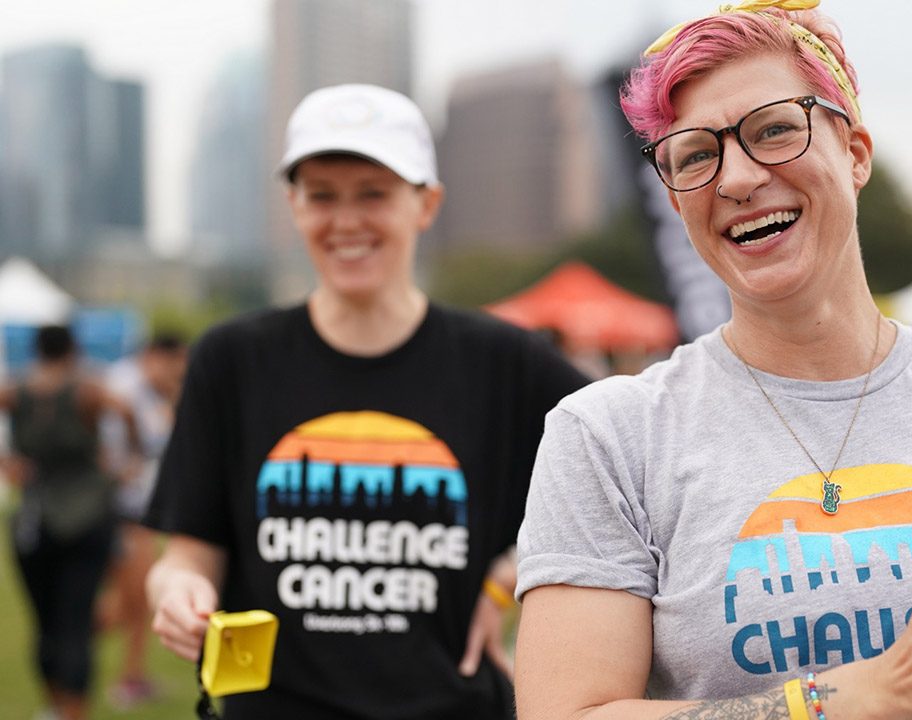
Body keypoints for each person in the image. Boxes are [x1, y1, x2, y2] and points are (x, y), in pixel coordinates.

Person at [514, 3, 912, 718]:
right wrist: (850, 700)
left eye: (773, 130)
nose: (735, 177)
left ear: (855, 152)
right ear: (674, 197)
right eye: (696, 155)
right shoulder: (611, 436)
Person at [143, 84, 589, 719]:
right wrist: (179, 592)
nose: (345, 221)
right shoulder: (231, 359)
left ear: (425, 204)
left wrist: (511, 573)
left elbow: (625, 485)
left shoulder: (506, 362)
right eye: (321, 195)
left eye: (373, 194)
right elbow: (188, 553)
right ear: (293, 206)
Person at [1, 325, 140, 720]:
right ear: (73, 349)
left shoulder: (16, 389)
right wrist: (128, 460)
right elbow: (127, 411)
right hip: (88, 513)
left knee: (44, 623)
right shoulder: (87, 389)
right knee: (76, 623)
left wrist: (8, 462)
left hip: (35, 515)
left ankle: (53, 706)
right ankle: (74, 711)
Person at [97, 332, 188, 708]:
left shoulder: (154, 392)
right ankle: (75, 652)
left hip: (139, 512)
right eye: (173, 367)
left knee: (135, 600)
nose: (176, 376)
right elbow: (109, 451)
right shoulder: (121, 389)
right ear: (153, 355)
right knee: (135, 598)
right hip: (118, 512)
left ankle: (131, 677)